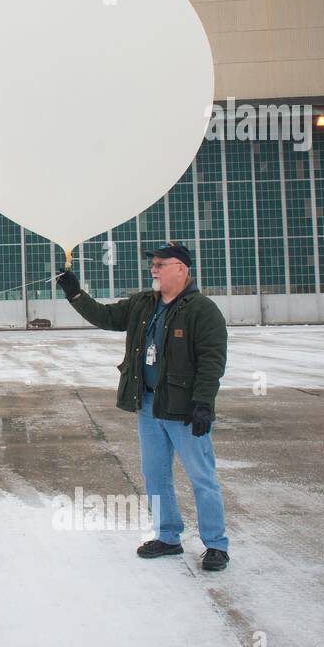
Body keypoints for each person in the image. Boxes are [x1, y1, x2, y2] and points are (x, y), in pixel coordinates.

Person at [55, 242, 231, 571]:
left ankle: (216, 544)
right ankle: (167, 536)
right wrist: (75, 293)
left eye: (161, 263)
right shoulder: (143, 303)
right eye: (153, 263)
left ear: (182, 269)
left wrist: (203, 405)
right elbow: (105, 316)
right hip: (149, 405)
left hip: (184, 410)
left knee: (201, 477)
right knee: (155, 475)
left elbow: (212, 362)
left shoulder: (202, 310)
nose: (154, 268)